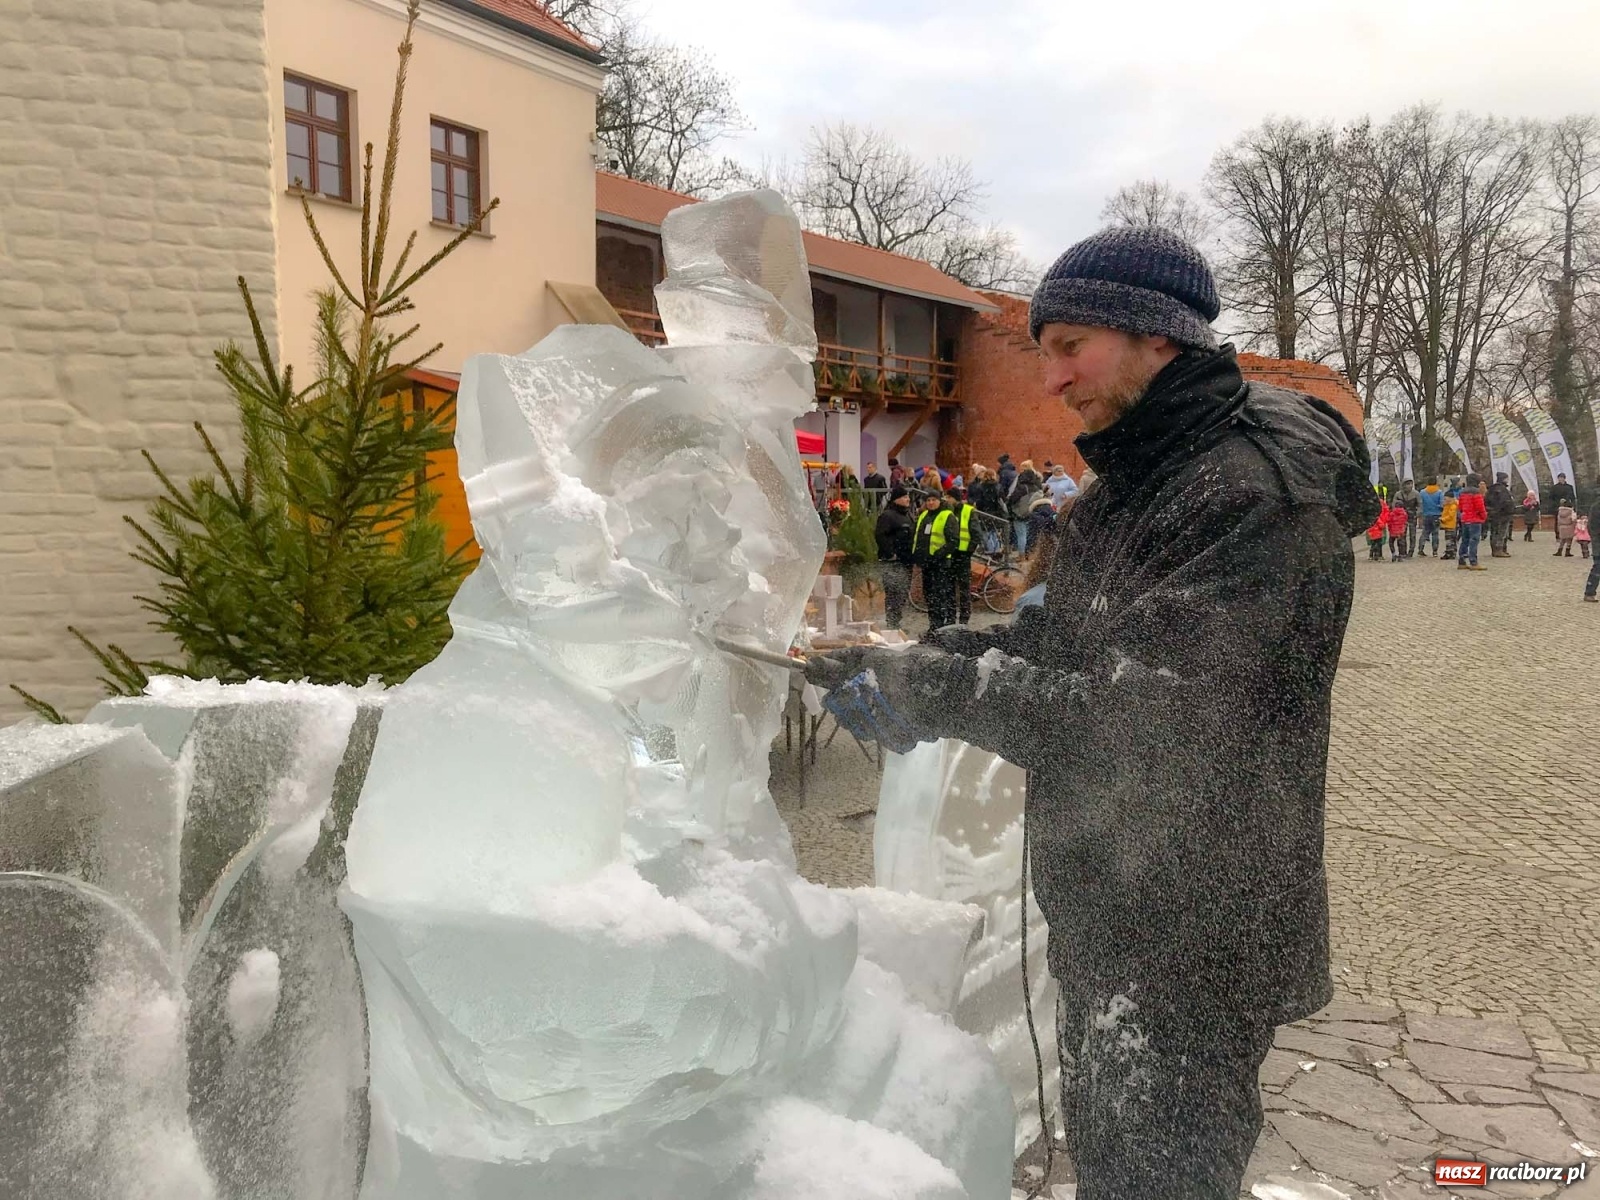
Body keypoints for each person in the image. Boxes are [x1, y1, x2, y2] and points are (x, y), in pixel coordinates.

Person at [805, 225, 1378, 1200]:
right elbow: (1061, 646)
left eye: (1071, 347)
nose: (1052, 380)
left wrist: (934, 691)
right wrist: (916, 658)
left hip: (1196, 924)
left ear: (1158, 335)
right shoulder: (1135, 483)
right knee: (1114, 1158)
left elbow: (1149, 724)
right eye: (1043, 352)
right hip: (1116, 894)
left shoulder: (1252, 497)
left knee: (1157, 1178)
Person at [911, 489, 957, 630]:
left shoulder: (947, 516)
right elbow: (918, 537)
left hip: (940, 563)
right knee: (929, 595)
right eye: (928, 500)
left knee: (940, 595)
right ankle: (934, 625)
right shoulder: (924, 515)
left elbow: (953, 541)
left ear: (939, 501)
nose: (930, 503)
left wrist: (938, 554)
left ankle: (941, 626)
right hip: (927, 564)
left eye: (933, 500)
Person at [874, 486, 915, 628]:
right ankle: (892, 623)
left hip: (906, 560)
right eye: (904, 497)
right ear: (896, 499)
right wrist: (890, 554)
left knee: (902, 592)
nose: (907, 499)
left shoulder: (908, 515)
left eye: (908, 496)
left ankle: (896, 621)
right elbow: (880, 535)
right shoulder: (888, 516)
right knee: (893, 593)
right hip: (892, 562)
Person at [949, 489, 979, 624]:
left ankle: (964, 619)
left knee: (963, 588)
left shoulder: (968, 511)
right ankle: (951, 617)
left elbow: (975, 533)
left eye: (949, 497)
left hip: (962, 555)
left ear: (955, 498)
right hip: (950, 555)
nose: (946, 499)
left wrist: (968, 551)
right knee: (949, 587)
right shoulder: (947, 511)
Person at [1007, 459, 1044, 553]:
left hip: (1020, 512)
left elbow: (1013, 498)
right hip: (1032, 511)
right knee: (1029, 534)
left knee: (1021, 535)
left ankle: (1022, 555)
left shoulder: (1022, 486)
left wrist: (1010, 506)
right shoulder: (1036, 484)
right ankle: (1029, 553)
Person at [1457, 473, 1488, 570]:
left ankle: (1462, 561)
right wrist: (1484, 516)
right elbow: (1480, 507)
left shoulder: (1462, 492)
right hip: (1475, 520)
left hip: (1465, 519)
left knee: (1465, 540)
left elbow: (1460, 507)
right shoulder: (1476, 493)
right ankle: (1473, 562)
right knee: (1474, 541)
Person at [1486, 473, 1516, 557]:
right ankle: (1499, 550)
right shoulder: (1502, 490)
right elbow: (1505, 502)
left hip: (1493, 514)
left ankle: (1495, 549)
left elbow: (1486, 501)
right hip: (1502, 514)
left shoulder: (1491, 489)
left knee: (1494, 532)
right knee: (1501, 533)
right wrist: (1510, 509)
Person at [1417, 478, 1444, 557]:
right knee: (1435, 534)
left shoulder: (1422, 492)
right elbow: (1442, 504)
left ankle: (1420, 549)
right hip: (1436, 515)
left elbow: (1420, 503)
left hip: (1426, 515)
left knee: (1425, 532)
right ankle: (1435, 551)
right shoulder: (1439, 492)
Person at [1396, 479, 1421, 558]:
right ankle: (1402, 551)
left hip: (1412, 516)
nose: (1409, 486)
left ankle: (1411, 551)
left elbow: (1420, 505)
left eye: (1410, 484)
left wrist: (1418, 513)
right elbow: (1394, 505)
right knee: (1401, 534)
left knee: (1412, 535)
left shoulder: (1416, 494)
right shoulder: (1398, 494)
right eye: (1407, 484)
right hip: (1401, 518)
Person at [1586, 492, 1600, 601]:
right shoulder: (1596, 507)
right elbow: (1592, 527)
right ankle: (1589, 592)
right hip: (1598, 543)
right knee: (1598, 568)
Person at [1385, 496, 1409, 562]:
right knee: (1401, 544)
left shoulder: (1392, 513)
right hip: (1400, 531)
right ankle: (1400, 556)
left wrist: (1390, 529)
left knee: (1391, 542)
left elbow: (1389, 522)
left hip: (1393, 531)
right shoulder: (1404, 513)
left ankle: (1393, 553)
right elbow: (1405, 522)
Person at [1366, 496, 1388, 561]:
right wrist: (1384, 522)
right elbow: (1386, 512)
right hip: (1378, 532)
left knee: (1373, 544)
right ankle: (1379, 556)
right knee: (1379, 544)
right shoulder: (1381, 504)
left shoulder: (1369, 503)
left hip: (1371, 532)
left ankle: (1371, 556)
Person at [1440, 489, 1460, 560]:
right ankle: (1452, 552)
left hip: (1450, 525)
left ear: (1450, 498)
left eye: (1446, 498)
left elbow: (1451, 516)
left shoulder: (1452, 506)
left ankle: (1449, 553)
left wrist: (1443, 519)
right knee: (1452, 539)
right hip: (1448, 524)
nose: (1444, 499)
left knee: (1449, 540)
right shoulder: (1448, 505)